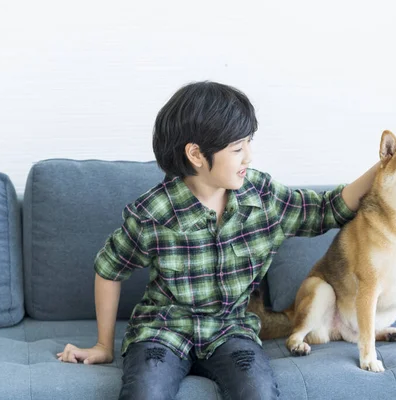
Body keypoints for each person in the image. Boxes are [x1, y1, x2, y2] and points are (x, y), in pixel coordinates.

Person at [57, 81, 379, 400]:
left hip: (230, 330)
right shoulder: (153, 213)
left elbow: (326, 209)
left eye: (249, 144)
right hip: (162, 331)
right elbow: (109, 268)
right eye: (238, 148)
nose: (248, 157)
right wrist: (103, 345)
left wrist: (385, 165)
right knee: (146, 392)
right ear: (196, 154)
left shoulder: (262, 196)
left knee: (258, 392)